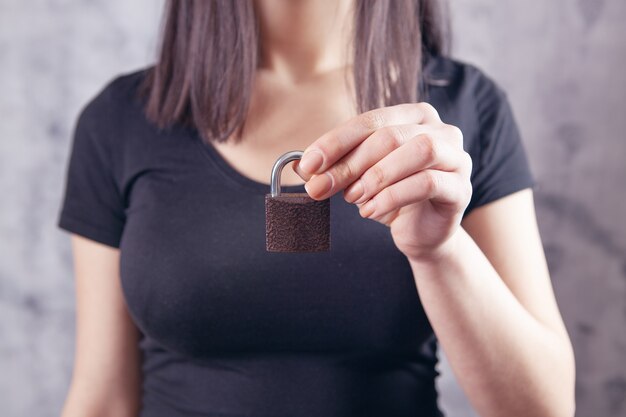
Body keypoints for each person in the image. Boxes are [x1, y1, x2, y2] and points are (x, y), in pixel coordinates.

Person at [57, 1, 575, 416]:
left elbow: (542, 409)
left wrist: (439, 249)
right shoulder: (120, 121)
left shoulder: (460, 114)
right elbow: (102, 400)